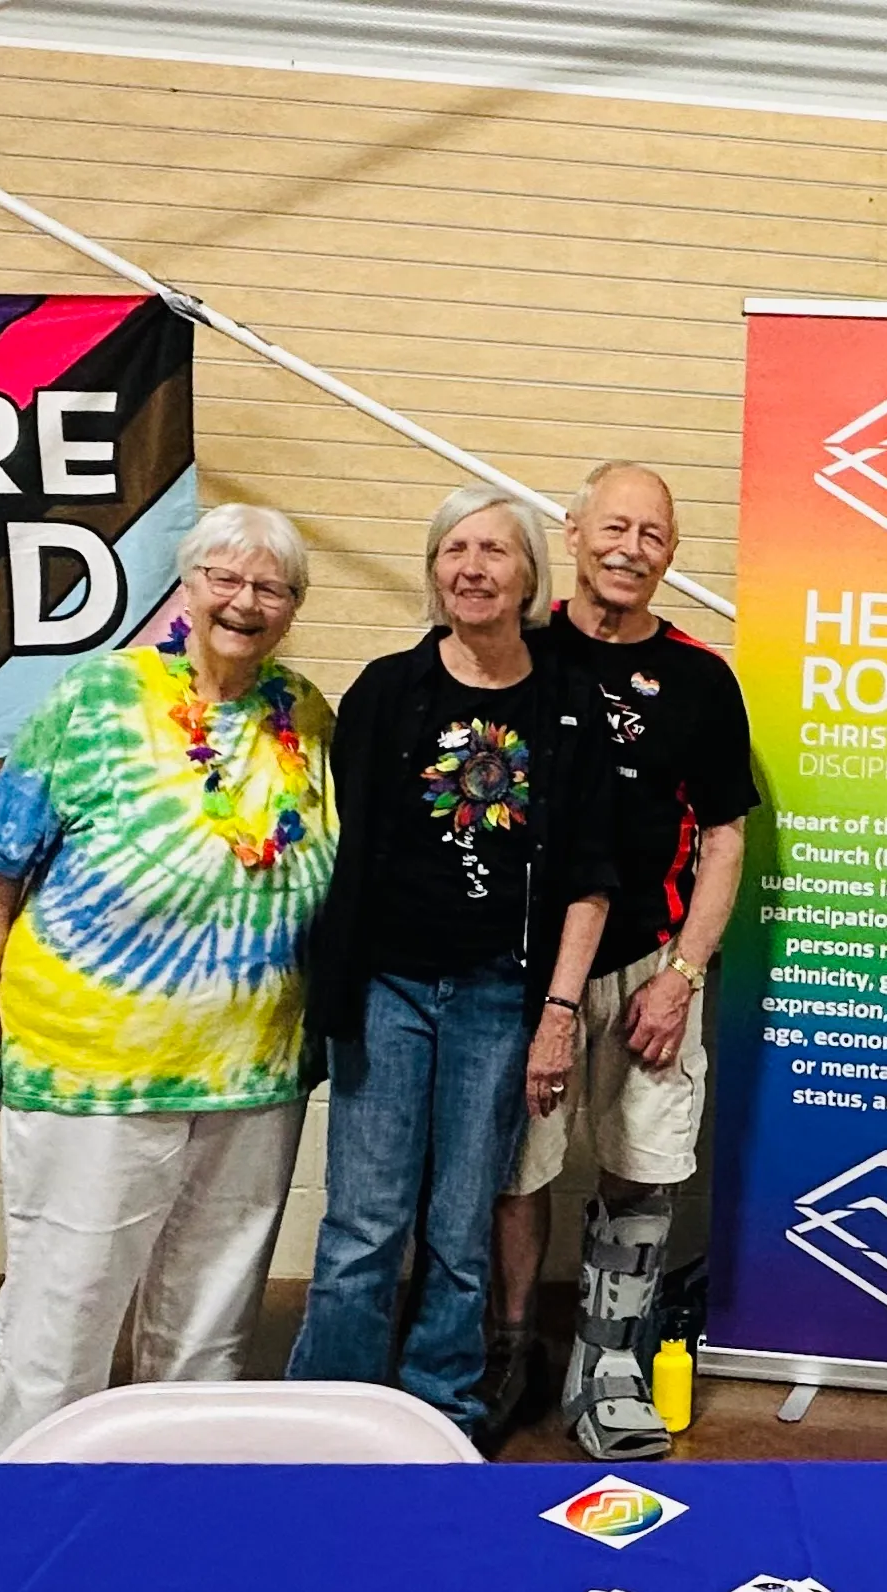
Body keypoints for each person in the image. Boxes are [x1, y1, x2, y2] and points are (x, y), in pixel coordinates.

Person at [0, 505, 335, 1457]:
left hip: (251, 1076)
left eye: (271, 587)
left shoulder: (306, 714)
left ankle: (175, 1494)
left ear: (293, 607)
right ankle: (35, 1501)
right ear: (188, 583)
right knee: (65, 1311)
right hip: (93, 1071)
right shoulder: (97, 697)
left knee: (210, 1323)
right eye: (224, 578)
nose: (245, 601)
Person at [289, 483, 618, 1435]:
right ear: (435, 572)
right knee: (363, 1222)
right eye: (454, 550)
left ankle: (442, 1407)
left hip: (498, 997)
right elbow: (345, 842)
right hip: (384, 990)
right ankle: (330, 1416)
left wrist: (557, 1012)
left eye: (494, 551)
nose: (472, 568)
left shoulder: (568, 704)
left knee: (463, 1223)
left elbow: (591, 879)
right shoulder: (387, 691)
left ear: (529, 577)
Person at [486, 461, 757, 1459]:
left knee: (643, 1166)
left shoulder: (699, 678)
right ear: (571, 530)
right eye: (614, 527)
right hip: (524, 968)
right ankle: (510, 1349)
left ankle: (605, 1363)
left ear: (672, 553)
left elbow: (724, 839)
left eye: (651, 534)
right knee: (515, 1168)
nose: (630, 549)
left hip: (651, 962)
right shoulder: (516, 650)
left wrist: (683, 976)